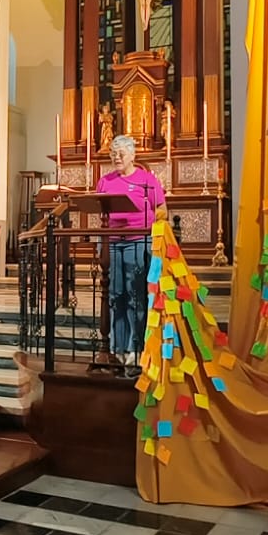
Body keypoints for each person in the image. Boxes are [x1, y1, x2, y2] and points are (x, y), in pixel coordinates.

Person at [96, 134, 166, 376]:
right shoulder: (105, 181)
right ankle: (116, 349)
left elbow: (162, 209)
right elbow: (99, 210)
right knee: (115, 296)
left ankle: (135, 349)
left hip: (137, 241)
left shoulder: (146, 180)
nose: (116, 157)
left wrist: (151, 225)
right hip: (112, 243)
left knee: (135, 296)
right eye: (113, 153)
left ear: (133, 155)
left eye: (121, 153)